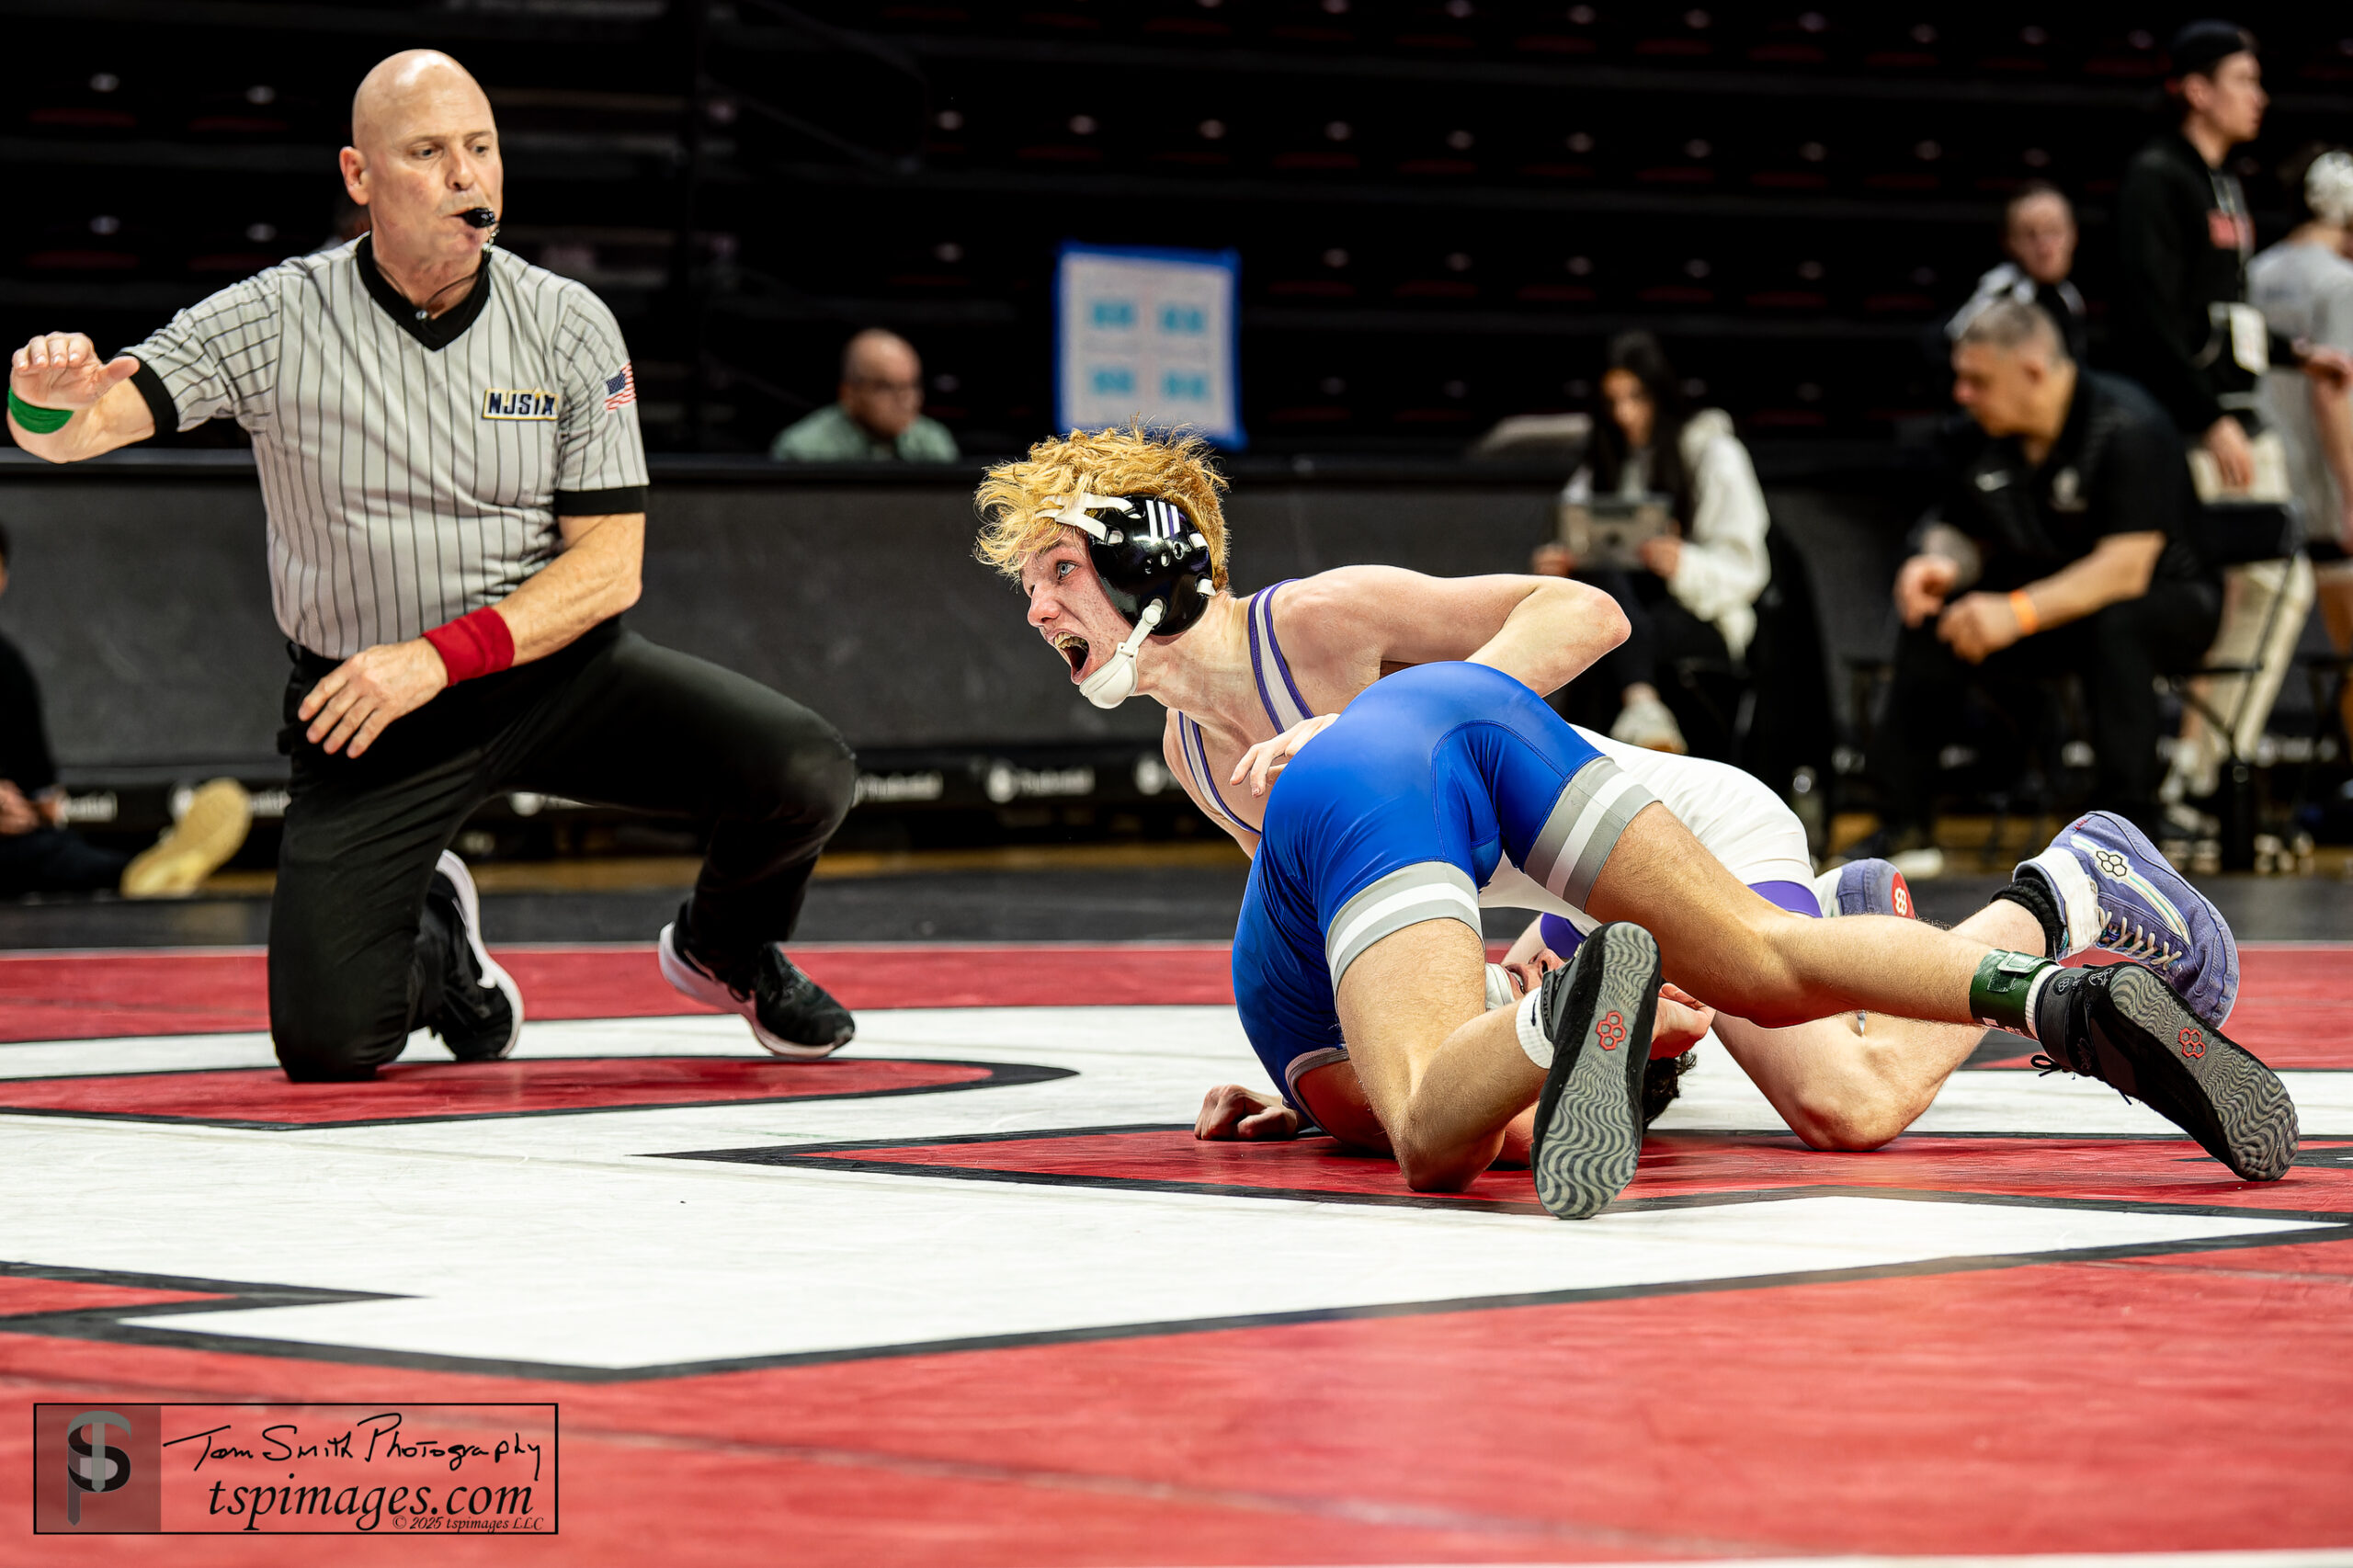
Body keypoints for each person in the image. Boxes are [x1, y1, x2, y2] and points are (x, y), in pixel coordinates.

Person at [972, 427, 2287, 1214]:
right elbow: (1353, 918)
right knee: (1647, 1034)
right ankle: (1994, 961)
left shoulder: (1312, 620)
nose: (1036, 611)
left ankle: (2064, 890)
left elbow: (1589, 613)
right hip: (1553, 874)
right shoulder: (1195, 752)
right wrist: (1324, 1076)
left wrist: (1405, 708)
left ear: (1149, 553)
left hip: (1675, 819)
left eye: (1058, 572)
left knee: (1846, 1103)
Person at [7, 50, 856, 1079]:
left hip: (550, 674)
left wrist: (439, 656)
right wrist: (40, 398)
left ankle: (723, 943)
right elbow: (75, 429)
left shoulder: (567, 323)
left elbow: (610, 569)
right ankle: (442, 949)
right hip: (365, 705)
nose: (468, 176)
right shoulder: (275, 314)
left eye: (481, 148)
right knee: (326, 1046)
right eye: (428, 153)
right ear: (360, 178)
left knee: (806, 768)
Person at [1876, 301, 2220, 847]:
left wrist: (2015, 613)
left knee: (2118, 624)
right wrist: (1938, 563)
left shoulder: (2129, 424)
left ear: (2033, 370)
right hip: (2051, 605)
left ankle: (2128, 828)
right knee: (1936, 620)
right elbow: (1961, 528)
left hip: (2167, 602)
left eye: (1977, 380)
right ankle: (1903, 823)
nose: (1961, 393)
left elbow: (2124, 570)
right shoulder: (1979, 433)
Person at [2113, 21, 2350, 801]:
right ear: (2196, 87)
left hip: (2235, 412)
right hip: (2195, 427)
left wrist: (2294, 356)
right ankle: (2194, 772)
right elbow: (2150, 319)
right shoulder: (2158, 177)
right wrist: (2207, 414)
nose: (2260, 96)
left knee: (2272, 585)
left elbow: (2225, 318)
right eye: (2243, 79)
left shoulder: (2222, 182)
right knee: (2238, 586)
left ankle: (2207, 768)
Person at [1530, 332, 1768, 759]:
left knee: (1600, 640)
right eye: (1613, 401)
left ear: (1660, 392)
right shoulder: (1604, 459)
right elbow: (1572, 531)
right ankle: (1642, 712)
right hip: (1629, 611)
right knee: (1598, 593)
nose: (1624, 414)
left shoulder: (1713, 453)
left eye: (1636, 398)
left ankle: (1569, 766)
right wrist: (1559, 563)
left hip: (1701, 615)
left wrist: (1682, 563)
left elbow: (1748, 572)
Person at [0, 522, 254, 900]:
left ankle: (151, 864)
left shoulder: (8, 666)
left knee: (54, 848)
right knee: (48, 857)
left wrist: (34, 808)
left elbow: (41, 786)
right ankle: (138, 873)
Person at [2249, 146, 2353, 749]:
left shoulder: (2261, 270)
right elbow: (2333, 395)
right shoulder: (2339, 283)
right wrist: (2349, 495)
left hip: (2266, 480)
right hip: (2326, 493)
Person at [1948, 182, 2090, 363]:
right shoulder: (1998, 293)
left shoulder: (2070, 297)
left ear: (2073, 234)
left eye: (2054, 231)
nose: (2045, 248)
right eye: (2030, 235)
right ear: (2009, 241)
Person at [769, 329, 960, 463]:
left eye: (912, 386)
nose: (907, 399)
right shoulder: (802, 451)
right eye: (887, 387)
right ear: (848, 393)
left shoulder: (934, 443)